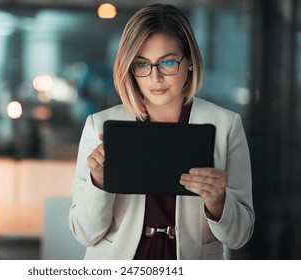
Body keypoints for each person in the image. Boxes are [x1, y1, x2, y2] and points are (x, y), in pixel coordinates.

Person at [68, 3, 254, 260]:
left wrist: (217, 202)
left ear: (189, 61)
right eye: (142, 65)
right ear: (130, 69)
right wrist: (99, 182)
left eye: (167, 62)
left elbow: (240, 235)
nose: (155, 78)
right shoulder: (99, 126)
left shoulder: (225, 125)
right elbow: (84, 233)